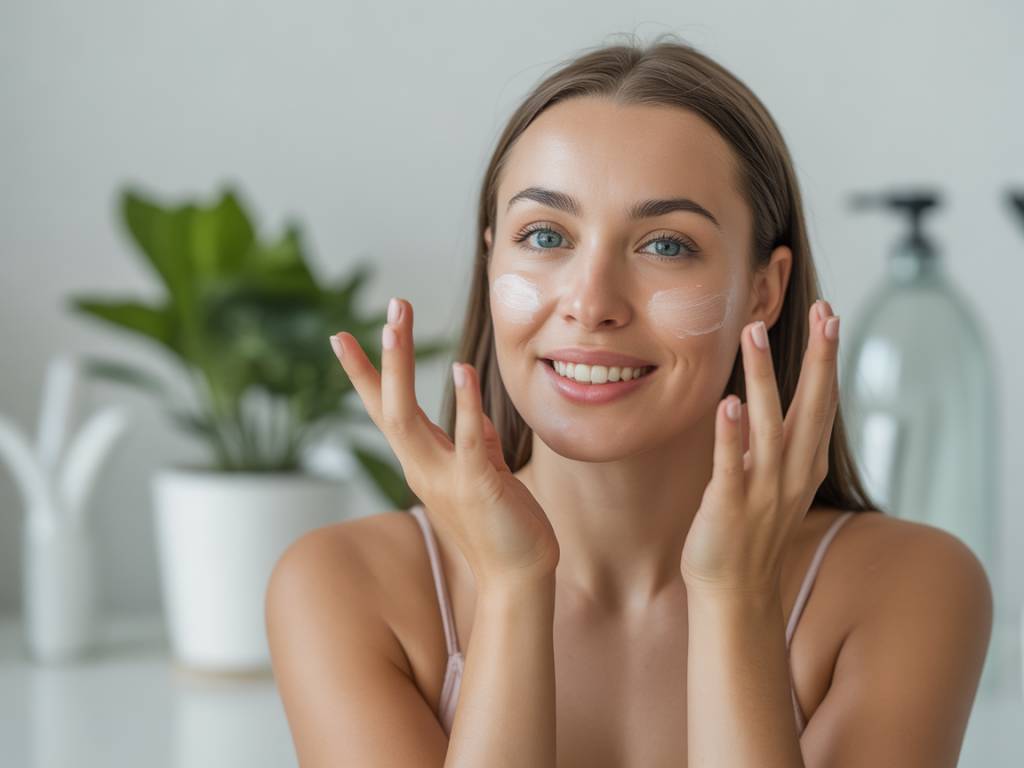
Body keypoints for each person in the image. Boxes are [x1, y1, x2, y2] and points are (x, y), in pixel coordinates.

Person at [266, 33, 992, 767]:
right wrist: (515, 588)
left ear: (764, 292)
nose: (591, 302)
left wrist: (733, 595)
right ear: (491, 258)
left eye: (665, 245)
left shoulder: (911, 590)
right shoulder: (343, 588)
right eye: (545, 234)